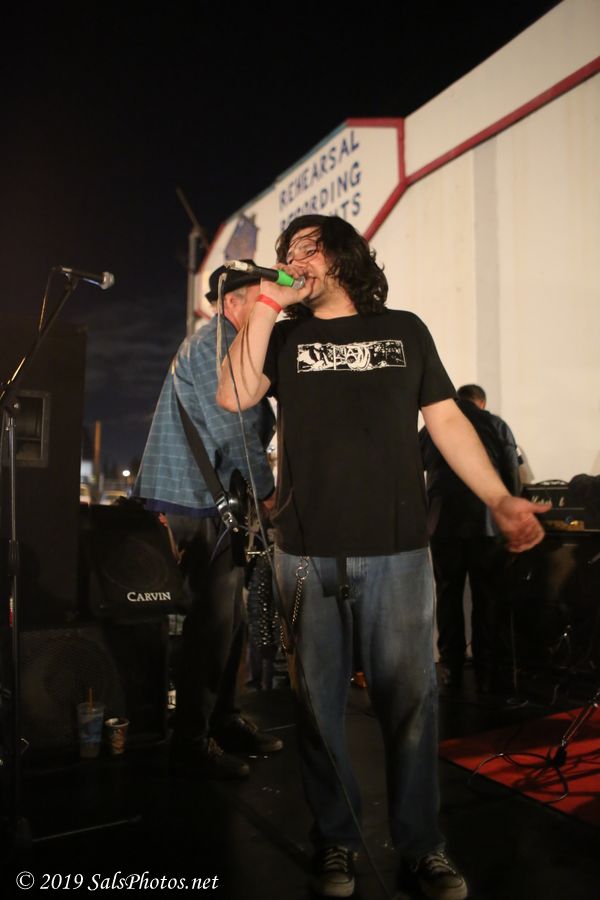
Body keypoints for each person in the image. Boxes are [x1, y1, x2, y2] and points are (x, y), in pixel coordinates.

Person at [216, 215, 549, 899]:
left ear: (344, 255)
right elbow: (233, 393)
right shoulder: (286, 335)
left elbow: (446, 420)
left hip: (398, 552)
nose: (294, 258)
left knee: (411, 709)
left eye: (308, 247)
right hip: (306, 554)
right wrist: (267, 304)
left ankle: (423, 847)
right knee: (319, 711)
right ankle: (335, 841)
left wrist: (499, 497)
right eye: (287, 251)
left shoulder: (405, 331)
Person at [134, 262, 282, 779]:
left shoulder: (220, 342)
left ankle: (223, 719)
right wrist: (268, 491)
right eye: (260, 299)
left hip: (206, 498)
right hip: (195, 500)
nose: (270, 309)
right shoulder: (216, 344)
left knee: (229, 617)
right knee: (213, 620)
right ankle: (192, 739)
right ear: (232, 303)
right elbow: (231, 427)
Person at [419, 386, 522, 692]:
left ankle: (450, 665)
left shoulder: (433, 427)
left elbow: (413, 467)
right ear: (482, 402)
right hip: (486, 524)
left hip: (442, 523)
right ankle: (486, 666)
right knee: (487, 595)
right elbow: (511, 475)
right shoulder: (495, 424)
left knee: (448, 595)